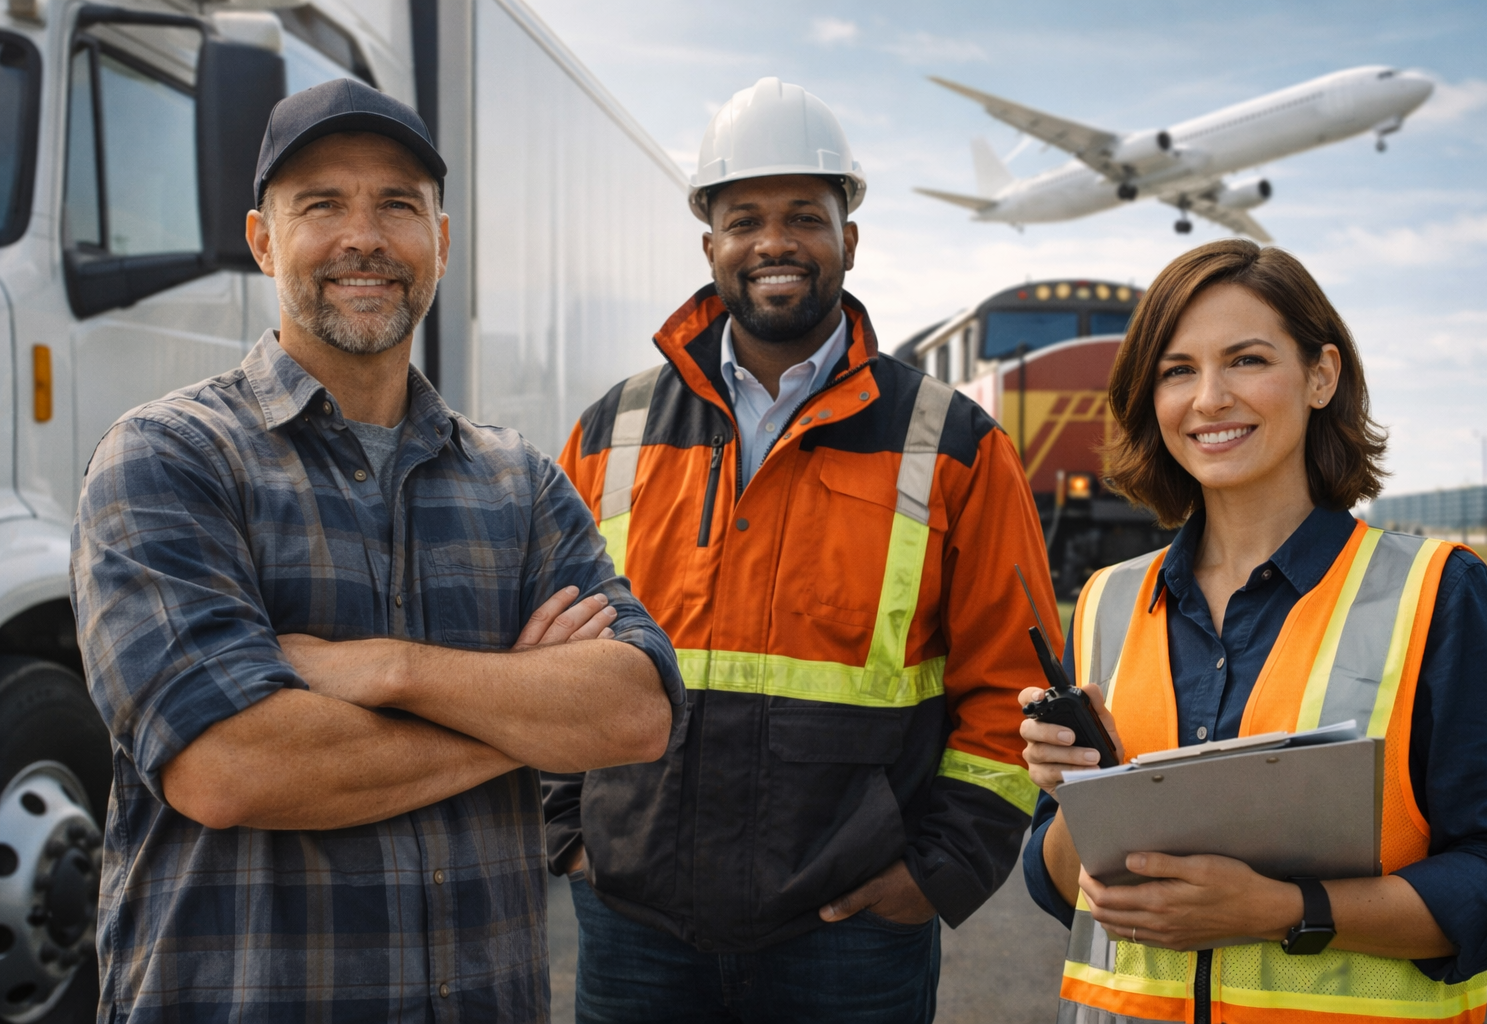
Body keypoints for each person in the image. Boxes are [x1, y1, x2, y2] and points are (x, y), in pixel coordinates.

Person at [69, 79, 682, 1023]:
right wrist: (520, 714)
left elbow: (637, 712)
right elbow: (229, 768)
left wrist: (393, 670)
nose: (365, 237)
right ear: (262, 240)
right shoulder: (168, 458)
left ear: (441, 239)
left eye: (398, 204)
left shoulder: (518, 482)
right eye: (322, 204)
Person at [543, 77, 1059, 1023]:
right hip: (633, 927)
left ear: (849, 240)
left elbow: (1013, 684)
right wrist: (569, 834)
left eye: (804, 218)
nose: (773, 243)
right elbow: (535, 649)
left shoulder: (952, 445)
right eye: (744, 220)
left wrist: (937, 872)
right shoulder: (611, 433)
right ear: (709, 245)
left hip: (850, 939)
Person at [1021, 239, 1487, 1024]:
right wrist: (1075, 796)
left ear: (1321, 376)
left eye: (1247, 360)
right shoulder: (1105, 602)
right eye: (1177, 370)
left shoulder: (1436, 591)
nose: (1209, 398)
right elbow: (1061, 885)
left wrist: (1286, 910)